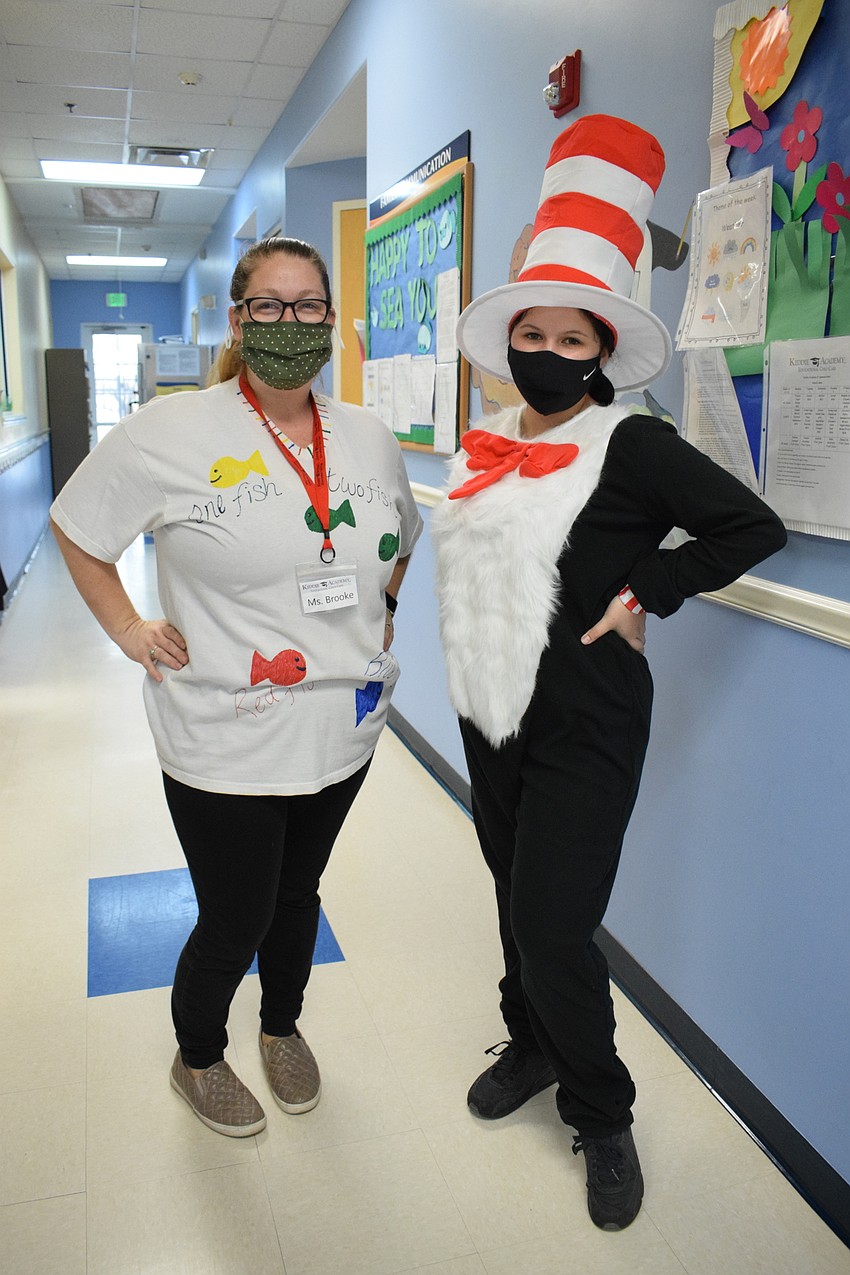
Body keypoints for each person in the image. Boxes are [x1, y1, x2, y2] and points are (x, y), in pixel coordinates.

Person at [431, 116, 786, 1230]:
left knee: (551, 923)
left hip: (588, 725)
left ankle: (602, 1109)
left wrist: (652, 590)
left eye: (569, 339)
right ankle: (532, 1042)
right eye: (527, 331)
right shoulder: (481, 439)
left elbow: (748, 527)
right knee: (511, 896)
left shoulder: (632, 445)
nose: (544, 351)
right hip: (488, 714)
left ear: (597, 354)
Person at [51, 236, 423, 1138]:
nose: (290, 323)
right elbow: (78, 527)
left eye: (309, 307)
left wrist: (385, 613)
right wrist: (131, 629)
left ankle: (282, 1025)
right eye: (271, 305)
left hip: (343, 727)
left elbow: (401, 536)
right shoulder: (171, 431)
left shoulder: (368, 438)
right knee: (238, 910)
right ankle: (199, 1053)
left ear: (331, 321)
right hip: (223, 729)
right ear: (238, 318)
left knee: (301, 893)